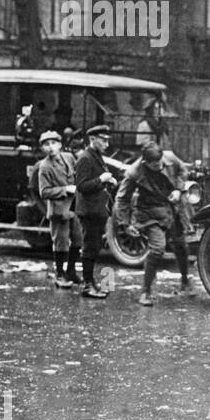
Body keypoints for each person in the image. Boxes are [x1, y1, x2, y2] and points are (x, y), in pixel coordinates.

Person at [115, 142, 194, 306]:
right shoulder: (134, 172)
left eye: (160, 163)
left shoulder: (170, 158)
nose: (159, 167)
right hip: (149, 212)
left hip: (172, 208)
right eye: (155, 165)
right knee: (158, 248)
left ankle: (185, 282)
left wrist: (178, 190)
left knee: (180, 245)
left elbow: (183, 171)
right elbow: (122, 199)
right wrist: (125, 224)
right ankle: (145, 291)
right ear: (145, 162)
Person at [36, 130, 82, 290]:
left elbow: (77, 174)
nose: (50, 147)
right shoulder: (45, 167)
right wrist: (65, 189)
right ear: (43, 148)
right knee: (61, 242)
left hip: (74, 206)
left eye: (53, 143)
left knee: (78, 238)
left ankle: (71, 271)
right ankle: (60, 273)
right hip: (59, 209)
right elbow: (44, 192)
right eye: (46, 145)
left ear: (60, 145)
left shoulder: (68, 158)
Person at [74, 124, 116, 299]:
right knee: (89, 248)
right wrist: (101, 179)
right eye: (103, 140)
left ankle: (90, 282)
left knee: (94, 247)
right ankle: (87, 285)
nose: (106, 144)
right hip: (89, 210)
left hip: (97, 210)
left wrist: (108, 182)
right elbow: (82, 186)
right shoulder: (85, 158)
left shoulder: (96, 156)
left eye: (107, 140)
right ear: (93, 139)